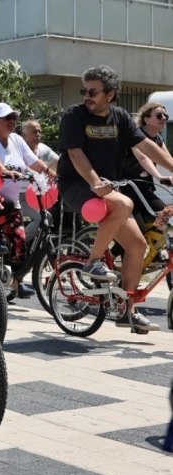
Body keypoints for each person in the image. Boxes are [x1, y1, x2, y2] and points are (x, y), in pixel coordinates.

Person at [57, 65, 173, 333]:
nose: (87, 96)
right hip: (77, 185)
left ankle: (127, 311)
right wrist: (95, 182)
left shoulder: (120, 117)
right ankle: (92, 262)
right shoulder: (75, 115)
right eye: (84, 91)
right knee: (124, 203)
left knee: (137, 245)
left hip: (106, 189)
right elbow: (75, 154)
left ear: (110, 94)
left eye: (93, 92)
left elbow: (147, 147)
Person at [0, 103, 51, 299]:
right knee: (3, 205)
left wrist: (51, 173)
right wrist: (4, 171)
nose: (12, 122)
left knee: (19, 243)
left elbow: (33, 161)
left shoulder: (16, 140)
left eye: (14, 118)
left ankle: (15, 282)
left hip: (12, 200)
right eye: (7, 118)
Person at [119, 102, 173, 234]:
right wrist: (159, 177)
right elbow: (144, 159)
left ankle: (155, 255)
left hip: (143, 188)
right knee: (137, 232)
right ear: (147, 120)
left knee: (165, 218)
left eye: (165, 115)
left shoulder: (158, 139)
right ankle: (109, 256)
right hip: (126, 188)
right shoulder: (137, 136)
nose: (164, 118)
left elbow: (168, 160)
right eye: (159, 115)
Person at [20, 120, 60, 239]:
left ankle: (36, 245)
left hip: (37, 194)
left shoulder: (43, 149)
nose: (38, 134)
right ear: (24, 136)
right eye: (34, 132)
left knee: (49, 217)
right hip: (20, 195)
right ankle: (19, 246)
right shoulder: (19, 151)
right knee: (41, 217)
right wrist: (37, 175)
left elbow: (59, 163)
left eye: (39, 131)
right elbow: (25, 168)